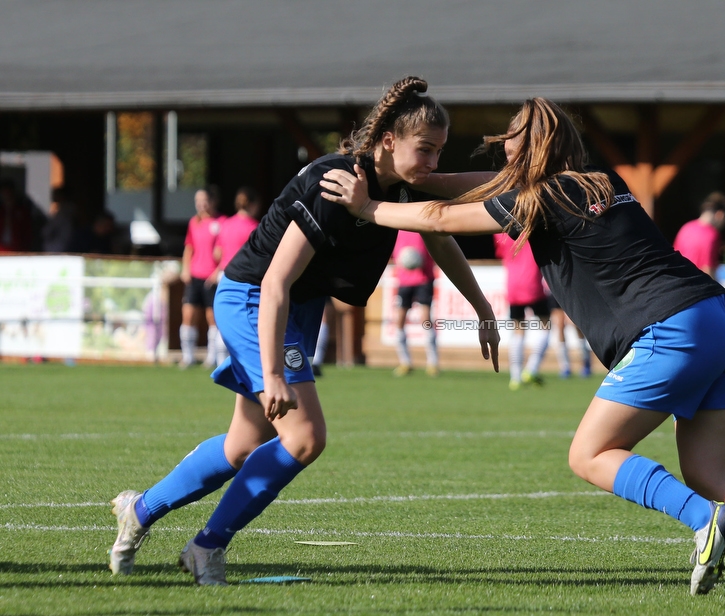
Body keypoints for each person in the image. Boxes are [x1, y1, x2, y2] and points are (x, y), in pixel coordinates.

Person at [319, 97, 725, 598]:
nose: (505, 154)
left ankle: (703, 520)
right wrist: (407, 177)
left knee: (590, 454)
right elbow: (460, 187)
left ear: (531, 151)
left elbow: (439, 216)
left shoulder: (541, 197)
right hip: (721, 316)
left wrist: (367, 208)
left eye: (511, 145)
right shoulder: (601, 180)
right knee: (712, 473)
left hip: (671, 325)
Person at [108, 76, 500, 586]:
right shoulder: (335, 182)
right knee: (305, 436)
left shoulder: (398, 185)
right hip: (255, 299)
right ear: (387, 142)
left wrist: (483, 308)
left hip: (295, 308)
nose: (432, 163)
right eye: (424, 150)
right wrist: (272, 372)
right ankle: (205, 548)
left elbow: (441, 233)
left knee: (242, 447)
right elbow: (273, 282)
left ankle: (139, 510)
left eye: (439, 151)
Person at [212, 187, 262, 364]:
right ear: (253, 205)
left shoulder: (225, 224)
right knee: (245, 322)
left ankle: (219, 361)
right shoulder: (254, 227)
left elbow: (217, 253)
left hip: (223, 276)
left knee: (222, 323)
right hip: (244, 279)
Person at [494, 233, 550, 389]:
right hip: (532, 284)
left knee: (518, 331)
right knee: (545, 327)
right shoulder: (532, 228)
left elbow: (500, 252)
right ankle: (531, 369)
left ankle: (515, 377)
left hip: (512, 285)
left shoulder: (501, 231)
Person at [179, 186, 222, 368]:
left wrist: (218, 270)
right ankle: (187, 356)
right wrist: (185, 269)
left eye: (204, 200)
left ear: (212, 201)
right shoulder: (193, 223)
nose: (201, 205)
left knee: (212, 318)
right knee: (188, 315)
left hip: (211, 278)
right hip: (195, 275)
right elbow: (189, 247)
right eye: (198, 201)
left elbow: (225, 251)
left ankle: (212, 356)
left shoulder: (221, 222)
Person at [390, 230, 439, 377]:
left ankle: (433, 363)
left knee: (425, 319)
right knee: (399, 320)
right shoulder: (396, 228)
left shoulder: (421, 227)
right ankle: (405, 362)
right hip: (404, 279)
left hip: (424, 278)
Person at [672, 192, 725, 279]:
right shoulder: (712, 235)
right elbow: (708, 270)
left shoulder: (686, 228)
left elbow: (674, 259)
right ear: (720, 215)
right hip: (697, 287)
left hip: (679, 282)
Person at [548, 297, 592, 379]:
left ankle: (586, 362)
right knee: (560, 325)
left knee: (577, 324)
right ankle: (565, 366)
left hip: (571, 291)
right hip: (556, 291)